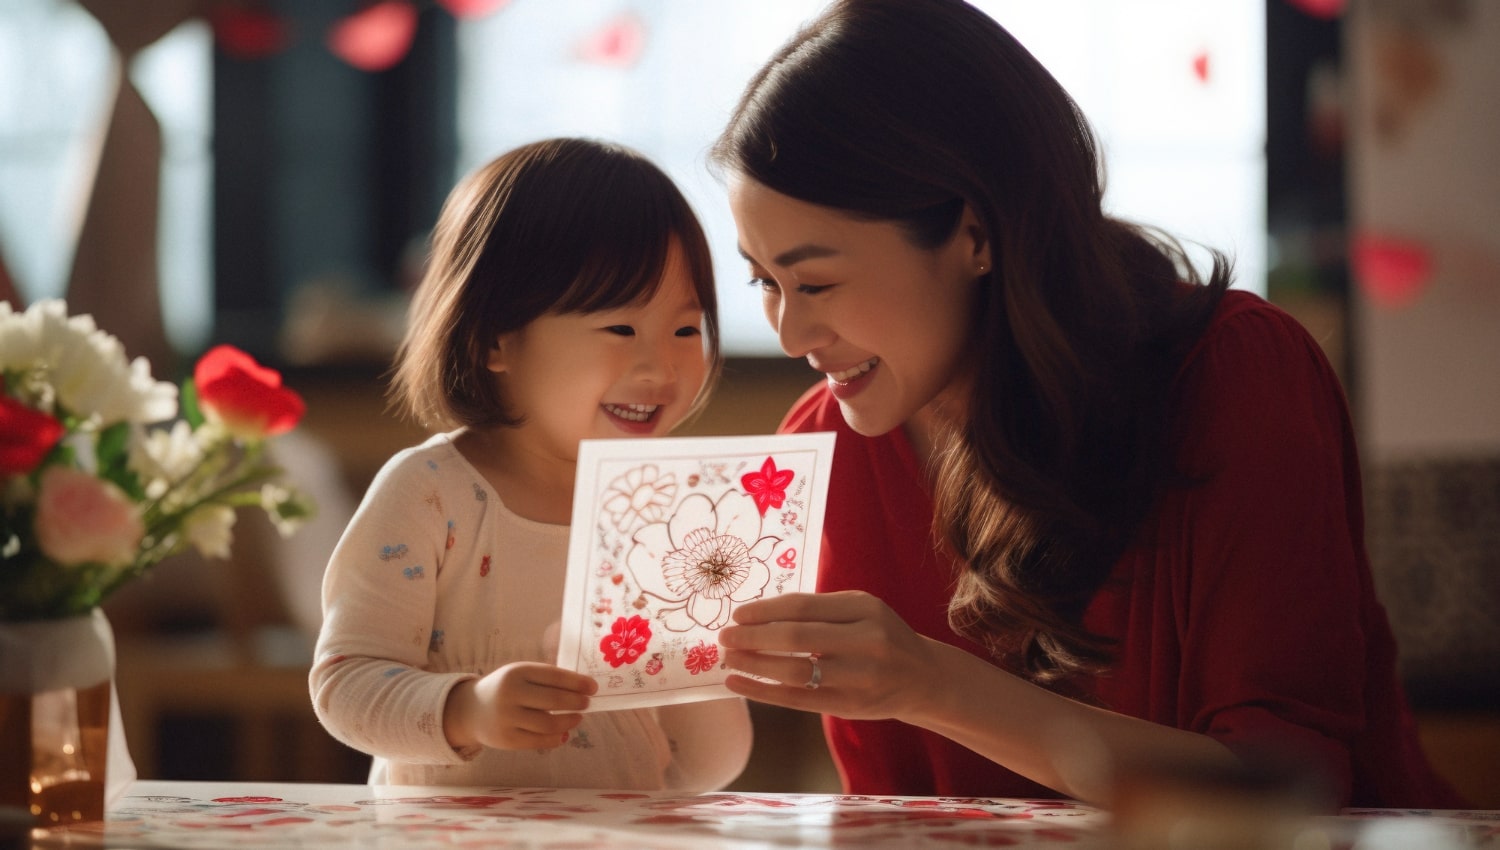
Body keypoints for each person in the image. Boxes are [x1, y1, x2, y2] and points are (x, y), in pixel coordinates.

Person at [710, 0, 1465, 809]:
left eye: (816, 281)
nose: (791, 333)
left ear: (975, 236)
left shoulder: (1234, 377)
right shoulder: (822, 448)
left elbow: (1287, 788)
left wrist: (934, 684)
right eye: (765, 282)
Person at [310, 137, 751, 790]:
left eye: (686, 330)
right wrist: (466, 711)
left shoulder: (677, 517)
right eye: (621, 329)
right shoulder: (431, 494)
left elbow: (708, 766)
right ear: (495, 339)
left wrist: (704, 667)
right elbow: (345, 684)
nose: (660, 367)